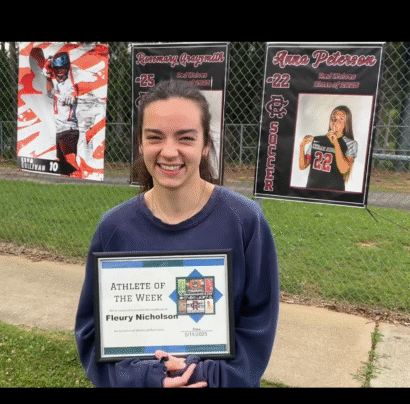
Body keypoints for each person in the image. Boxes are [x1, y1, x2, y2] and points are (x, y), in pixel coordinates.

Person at [75, 80, 279, 388]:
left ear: (205, 144)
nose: (169, 152)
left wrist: (203, 376)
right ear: (140, 143)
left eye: (185, 138)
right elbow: (93, 336)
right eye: (155, 137)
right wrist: (148, 378)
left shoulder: (244, 221)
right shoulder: (114, 228)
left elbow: (257, 328)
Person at [298, 106, 358, 191]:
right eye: (333, 118)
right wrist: (302, 146)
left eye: (341, 119)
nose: (335, 121)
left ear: (346, 123)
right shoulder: (317, 140)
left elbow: (344, 170)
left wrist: (336, 143)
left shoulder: (351, 144)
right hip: (312, 189)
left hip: (334, 192)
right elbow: (302, 166)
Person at [44, 51, 81, 177]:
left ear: (67, 68)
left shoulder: (71, 83)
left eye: (63, 69)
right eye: (57, 69)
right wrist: (48, 76)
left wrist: (73, 96)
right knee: (62, 166)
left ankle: (81, 182)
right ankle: (67, 186)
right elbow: (50, 93)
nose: (60, 72)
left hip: (69, 129)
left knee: (71, 163)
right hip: (59, 130)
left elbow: (75, 91)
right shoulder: (56, 83)